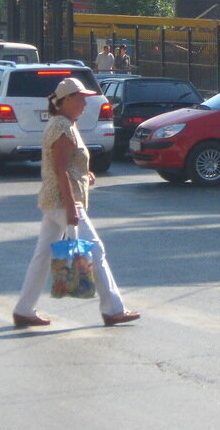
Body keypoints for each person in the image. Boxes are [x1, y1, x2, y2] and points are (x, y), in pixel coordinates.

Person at [11, 77, 139, 328]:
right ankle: (113, 309)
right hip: (63, 200)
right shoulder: (62, 127)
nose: (84, 103)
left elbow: (67, 164)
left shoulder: (64, 123)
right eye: (80, 98)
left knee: (43, 255)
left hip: (54, 199)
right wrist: (71, 207)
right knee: (95, 250)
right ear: (66, 100)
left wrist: (85, 173)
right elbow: (60, 170)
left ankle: (24, 309)